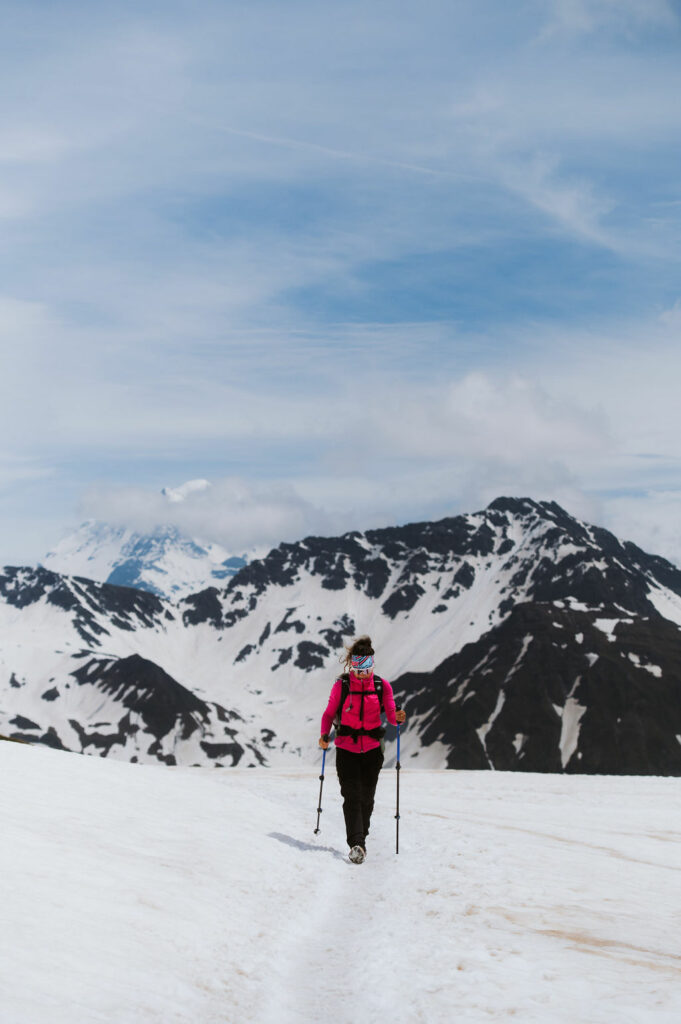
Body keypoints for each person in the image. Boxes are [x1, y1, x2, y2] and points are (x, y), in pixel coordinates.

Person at [319, 635, 406, 864]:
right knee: (352, 796)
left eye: (366, 666)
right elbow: (329, 714)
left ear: (372, 665)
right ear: (352, 664)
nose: (362, 671)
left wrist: (398, 718)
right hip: (346, 749)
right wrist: (324, 735)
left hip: (372, 751)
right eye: (358, 666)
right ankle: (356, 843)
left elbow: (390, 715)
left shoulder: (381, 686)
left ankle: (361, 838)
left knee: (367, 798)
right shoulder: (342, 686)